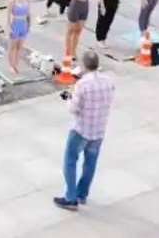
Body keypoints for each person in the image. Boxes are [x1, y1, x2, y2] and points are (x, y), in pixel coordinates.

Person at [53, 50, 115, 210]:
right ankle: (82, 194)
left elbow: (73, 109)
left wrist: (68, 98)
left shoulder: (82, 84)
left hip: (81, 129)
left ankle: (71, 197)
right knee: (90, 164)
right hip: (99, 129)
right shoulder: (108, 81)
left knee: (70, 161)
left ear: (84, 65)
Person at [6, 0, 32, 75]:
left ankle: (16, 64)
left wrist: (29, 25)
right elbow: (8, 16)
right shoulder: (13, 1)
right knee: (13, 46)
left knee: (20, 47)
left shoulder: (27, 1)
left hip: (23, 24)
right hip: (15, 24)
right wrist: (9, 27)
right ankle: (11, 65)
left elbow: (28, 14)